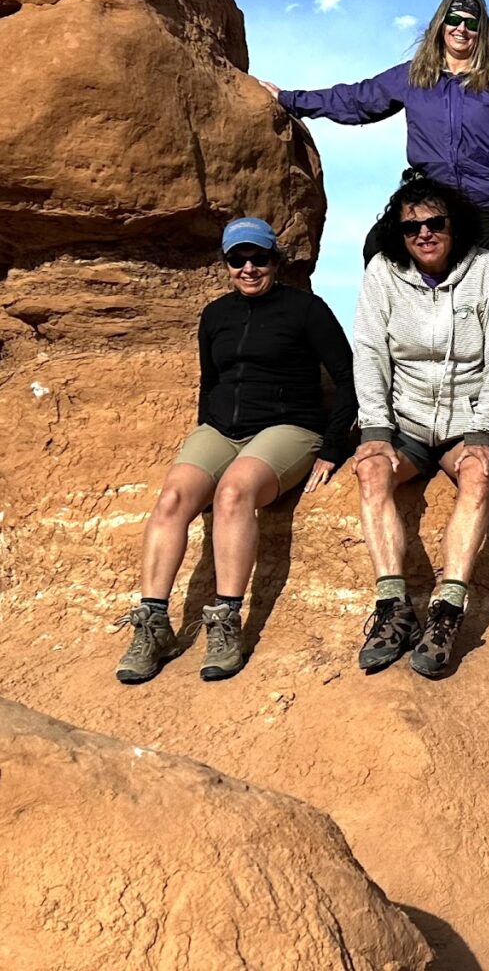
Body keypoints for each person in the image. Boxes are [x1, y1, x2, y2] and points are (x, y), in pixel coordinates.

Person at [117, 217, 354, 685]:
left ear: (276, 260)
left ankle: (226, 623)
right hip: (222, 429)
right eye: (237, 259)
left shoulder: (307, 310)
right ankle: (153, 625)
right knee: (172, 499)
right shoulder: (215, 315)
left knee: (233, 493)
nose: (248, 268)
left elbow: (349, 378)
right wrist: (205, 439)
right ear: (226, 264)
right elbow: (211, 383)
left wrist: (332, 447)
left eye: (258, 258)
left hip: (289, 427)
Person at [350, 176, 489, 680]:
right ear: (398, 234)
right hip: (404, 420)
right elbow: (370, 350)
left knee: (477, 475)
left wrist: (486, 431)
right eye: (411, 228)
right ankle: (392, 607)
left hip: (464, 423)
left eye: (435, 223)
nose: (424, 234)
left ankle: (446, 613)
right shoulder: (383, 273)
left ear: (454, 224)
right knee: (372, 473)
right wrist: (376, 429)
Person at [271, 0, 489, 270]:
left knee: (487, 297)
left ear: (481, 32)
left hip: (488, 206)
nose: (461, 28)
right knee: (378, 249)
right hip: (433, 205)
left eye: (471, 23)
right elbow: (357, 99)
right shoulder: (415, 75)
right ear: (440, 24)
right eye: (454, 19)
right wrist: (290, 100)